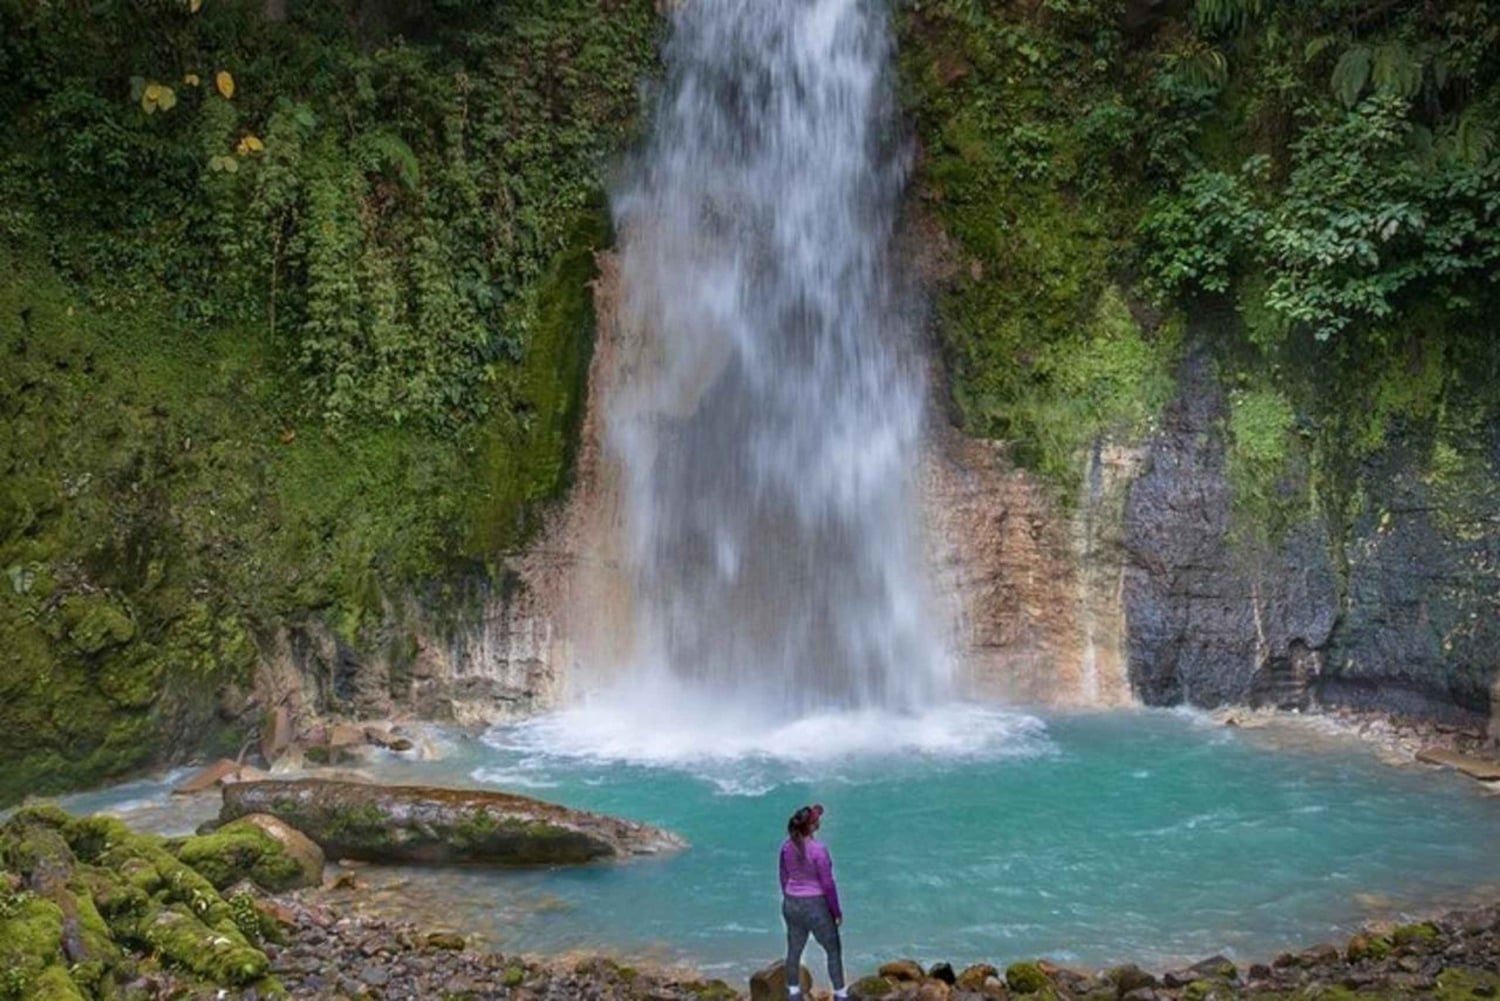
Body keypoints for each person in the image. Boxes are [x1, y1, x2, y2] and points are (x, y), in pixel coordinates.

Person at [779, 803, 845, 999]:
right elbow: (828, 885)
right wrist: (836, 912)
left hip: (791, 903)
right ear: (813, 826)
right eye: (817, 819)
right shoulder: (819, 850)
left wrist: (791, 900)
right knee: (833, 950)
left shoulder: (786, 848)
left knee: (794, 949)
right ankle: (840, 994)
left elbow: (783, 878)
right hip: (816, 905)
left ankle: (793, 993)